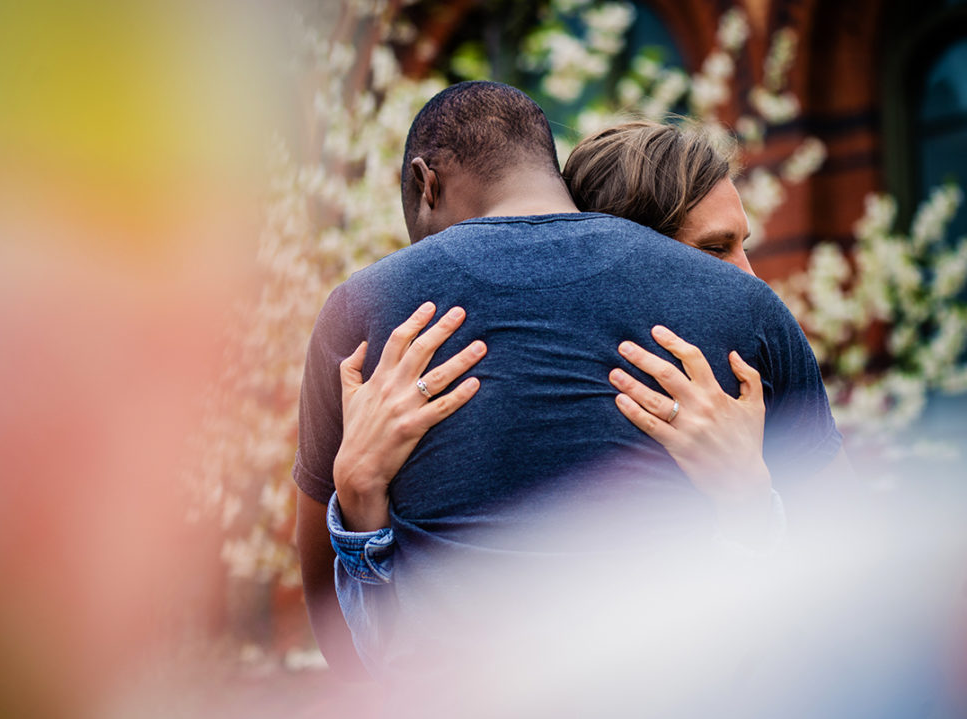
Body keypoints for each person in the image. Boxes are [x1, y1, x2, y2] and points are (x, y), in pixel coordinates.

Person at [293, 82, 846, 683]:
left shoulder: (364, 314)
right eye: (715, 249)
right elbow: (846, 595)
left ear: (427, 183)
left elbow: (351, 646)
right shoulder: (747, 312)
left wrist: (358, 504)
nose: (742, 270)